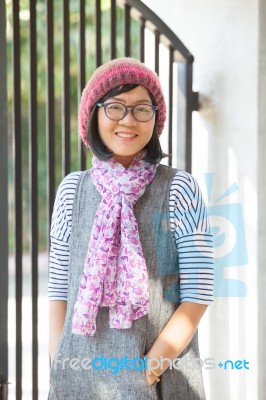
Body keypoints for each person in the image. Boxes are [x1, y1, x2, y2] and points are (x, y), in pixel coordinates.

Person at [48, 57, 214, 400]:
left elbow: (198, 294)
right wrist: (59, 367)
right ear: (92, 115)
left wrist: (146, 375)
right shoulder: (72, 191)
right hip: (78, 384)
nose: (128, 120)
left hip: (161, 382)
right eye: (115, 107)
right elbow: (59, 292)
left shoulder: (180, 188)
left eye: (142, 109)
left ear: (156, 118)